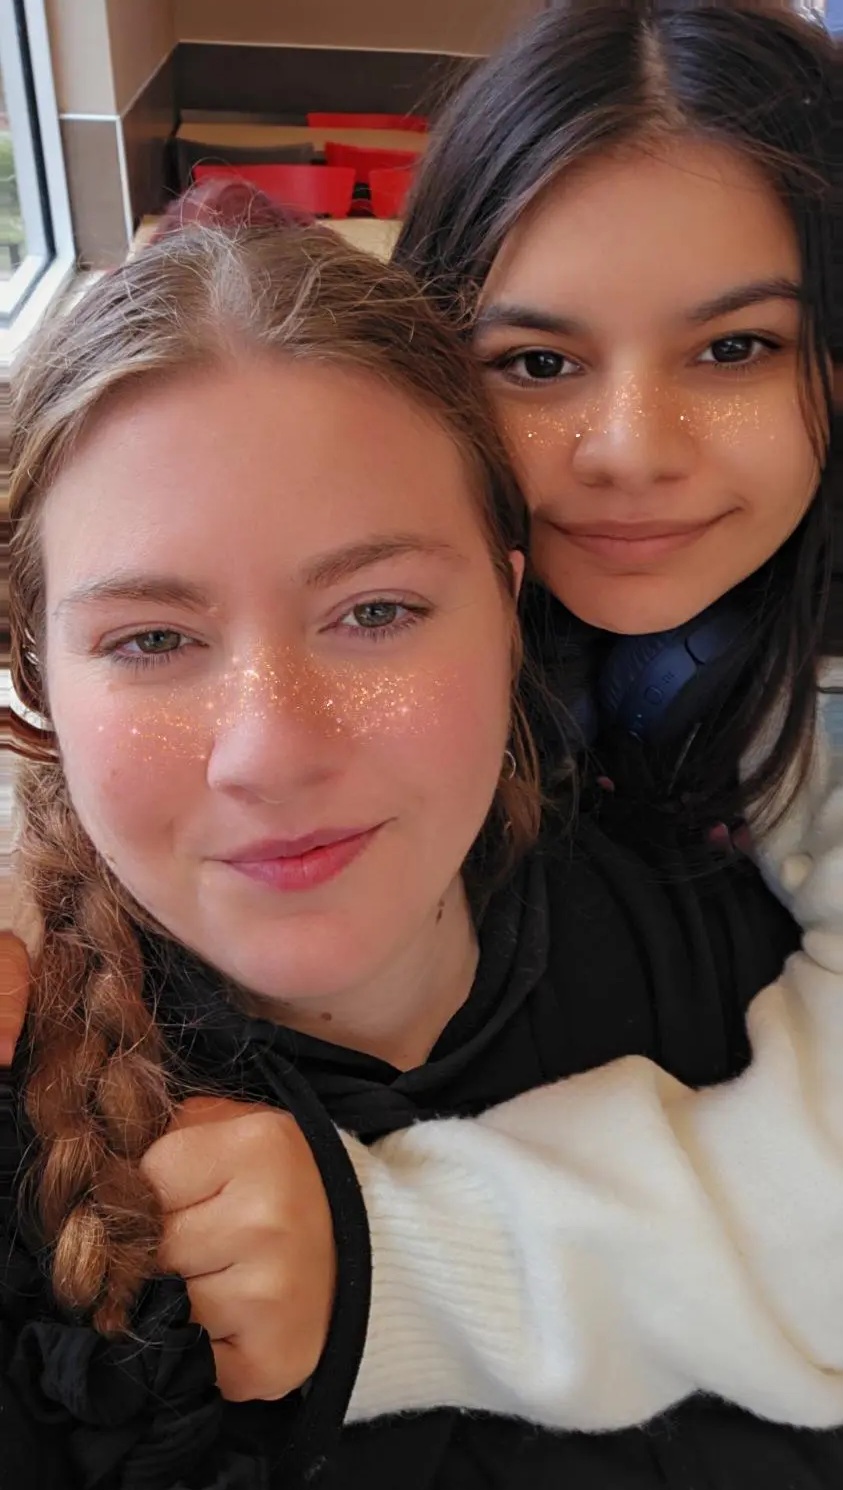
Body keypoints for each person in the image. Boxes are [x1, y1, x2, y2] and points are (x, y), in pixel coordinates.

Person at [6, 200, 843, 1490]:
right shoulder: (39, 1149)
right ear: (39, 683)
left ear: (511, 610)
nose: (272, 752)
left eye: (376, 611)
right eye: (153, 641)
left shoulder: (738, 932)